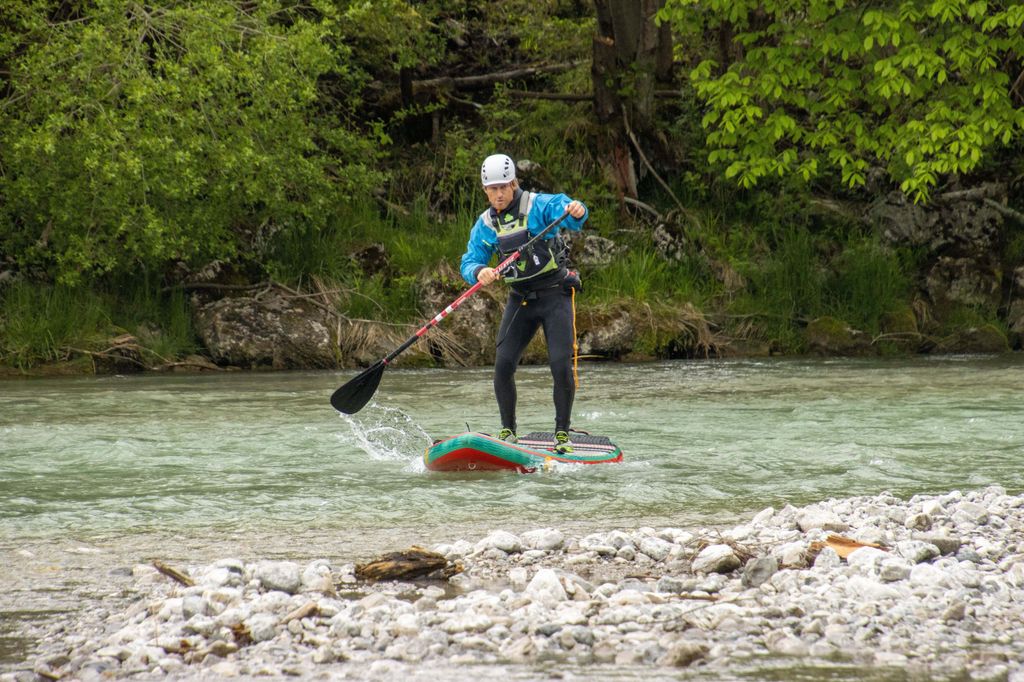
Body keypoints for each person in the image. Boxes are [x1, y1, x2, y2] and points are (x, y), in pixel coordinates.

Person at [459, 153, 588, 454]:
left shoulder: (537, 206)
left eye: (503, 187)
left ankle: (562, 434)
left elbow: (567, 211)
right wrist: (479, 271)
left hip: (555, 295)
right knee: (503, 364)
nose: (499, 194)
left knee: (560, 364)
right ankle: (508, 431)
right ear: (485, 190)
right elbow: (470, 260)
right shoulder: (486, 223)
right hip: (520, 300)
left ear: (514, 183)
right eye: (493, 189)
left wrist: (577, 209)